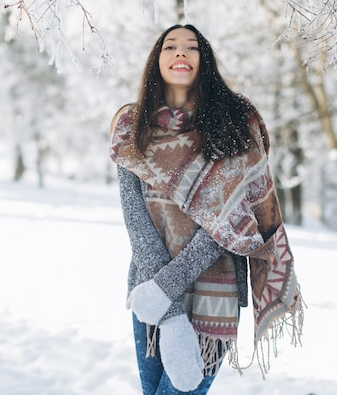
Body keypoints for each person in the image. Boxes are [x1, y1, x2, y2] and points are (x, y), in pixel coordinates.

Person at [110, 24, 304, 395]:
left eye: (191, 47)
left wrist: (168, 287)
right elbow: (134, 217)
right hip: (147, 289)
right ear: (157, 59)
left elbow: (233, 222)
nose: (180, 53)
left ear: (205, 59)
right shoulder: (130, 125)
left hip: (214, 293)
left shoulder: (234, 121)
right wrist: (165, 309)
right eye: (170, 46)